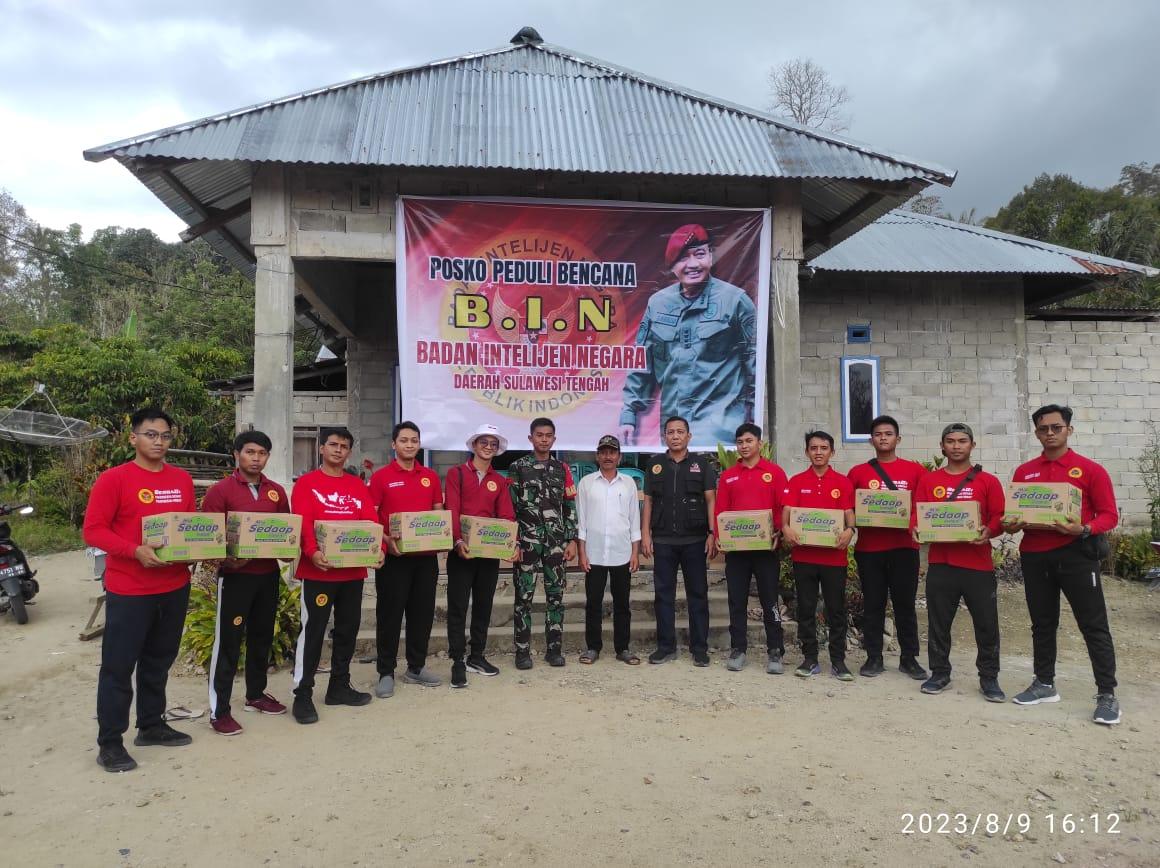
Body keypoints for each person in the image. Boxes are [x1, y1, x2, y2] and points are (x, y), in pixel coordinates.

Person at [83, 407, 197, 772]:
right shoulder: (113, 480)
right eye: (151, 434)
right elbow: (94, 531)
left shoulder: (181, 480)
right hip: (130, 588)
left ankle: (150, 725)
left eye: (165, 436)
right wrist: (133, 551)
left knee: (159, 661)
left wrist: (194, 552)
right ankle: (110, 743)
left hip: (174, 585)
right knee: (118, 667)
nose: (159, 442)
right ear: (133, 438)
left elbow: (188, 526)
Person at [1003, 404, 1122, 725]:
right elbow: (1014, 514)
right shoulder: (1024, 472)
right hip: (1035, 555)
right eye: (1044, 429)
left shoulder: (1089, 470)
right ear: (1037, 433)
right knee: (1042, 624)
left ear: (1069, 429)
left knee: (1093, 625)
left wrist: (1083, 529)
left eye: (1057, 427)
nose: (1050, 433)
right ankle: (1044, 683)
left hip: (1076, 555)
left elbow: (1109, 514)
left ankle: (1107, 694)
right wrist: (1012, 525)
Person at [620, 223, 756, 447]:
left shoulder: (735, 301)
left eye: (699, 254)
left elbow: (754, 363)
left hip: (721, 429)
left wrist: (751, 418)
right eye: (683, 258)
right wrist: (629, 414)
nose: (693, 264)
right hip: (673, 428)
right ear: (673, 266)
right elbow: (641, 363)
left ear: (710, 257)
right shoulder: (658, 304)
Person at [290, 427, 384, 725]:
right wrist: (312, 552)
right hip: (319, 571)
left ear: (349, 451)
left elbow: (371, 520)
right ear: (321, 448)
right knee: (313, 632)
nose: (338, 450)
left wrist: (379, 548)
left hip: (352, 572)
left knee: (347, 630)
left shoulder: (357, 486)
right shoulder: (306, 484)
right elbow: (304, 525)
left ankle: (339, 686)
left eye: (344, 446)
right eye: (333, 445)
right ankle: (302, 694)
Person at [201, 430, 291, 736]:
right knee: (228, 642)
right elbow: (208, 538)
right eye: (250, 452)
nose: (256, 458)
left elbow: (285, 532)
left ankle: (255, 695)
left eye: (262, 453)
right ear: (237, 454)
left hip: (268, 576)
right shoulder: (220, 491)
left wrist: (289, 553)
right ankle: (219, 710)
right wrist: (226, 560)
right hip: (236, 579)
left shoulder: (277, 491)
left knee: (261, 637)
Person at [912, 423, 1006, 702]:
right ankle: (939, 673)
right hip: (941, 564)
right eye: (950, 441)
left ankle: (989, 678)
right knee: (938, 622)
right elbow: (916, 516)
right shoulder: (929, 481)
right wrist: (915, 530)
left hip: (978, 565)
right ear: (942, 446)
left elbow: (999, 517)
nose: (956, 446)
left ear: (972, 446)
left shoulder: (987, 481)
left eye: (962, 441)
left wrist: (990, 530)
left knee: (986, 624)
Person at [845, 416, 927, 681]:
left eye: (888, 434)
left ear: (898, 439)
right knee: (873, 604)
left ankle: (909, 658)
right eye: (878, 434)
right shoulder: (858, 473)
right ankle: (873, 657)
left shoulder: (915, 472)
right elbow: (849, 509)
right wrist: (853, 522)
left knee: (905, 605)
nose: (883, 438)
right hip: (870, 550)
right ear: (871, 440)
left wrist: (912, 523)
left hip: (904, 548)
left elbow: (921, 507)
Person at [368, 422, 443, 698]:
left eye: (414, 440)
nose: (409, 445)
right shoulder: (381, 477)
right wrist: (387, 541)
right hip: (394, 558)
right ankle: (385, 671)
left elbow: (437, 513)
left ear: (419, 444)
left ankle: (416, 667)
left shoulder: (431, 477)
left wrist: (440, 538)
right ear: (394, 444)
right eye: (404, 440)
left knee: (422, 614)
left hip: (425, 558)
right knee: (389, 614)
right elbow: (372, 514)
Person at [445, 423, 518, 688]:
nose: (488, 447)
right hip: (461, 552)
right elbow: (452, 509)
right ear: (474, 445)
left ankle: (477, 656)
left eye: (493, 444)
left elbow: (507, 516)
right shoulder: (457, 474)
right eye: (484, 442)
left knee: (484, 605)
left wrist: (511, 542)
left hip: (489, 554)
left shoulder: (499, 481)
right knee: (458, 606)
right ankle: (457, 661)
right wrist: (457, 540)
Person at [642, 416, 718, 666]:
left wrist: (711, 533)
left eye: (680, 432)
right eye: (670, 432)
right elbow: (649, 502)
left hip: (695, 540)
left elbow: (710, 500)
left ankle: (699, 648)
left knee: (698, 594)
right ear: (664, 436)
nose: (675, 436)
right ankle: (666, 647)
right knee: (663, 596)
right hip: (663, 540)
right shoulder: (654, 465)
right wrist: (646, 534)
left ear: (689, 436)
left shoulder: (701, 464)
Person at [713, 423, 788, 674]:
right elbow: (720, 510)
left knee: (770, 601)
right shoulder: (728, 476)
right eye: (740, 442)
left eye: (749, 441)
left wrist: (779, 531)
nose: (744, 446)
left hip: (766, 549)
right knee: (737, 601)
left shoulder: (775, 473)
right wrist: (719, 535)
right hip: (737, 551)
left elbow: (782, 507)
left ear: (759, 443)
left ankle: (775, 650)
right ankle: (739, 648)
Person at [781, 431, 855, 681]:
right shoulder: (797, 481)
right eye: (814, 448)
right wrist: (786, 528)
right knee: (806, 608)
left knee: (836, 610)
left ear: (832, 452)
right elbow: (787, 512)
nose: (819, 452)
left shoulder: (843, 482)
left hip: (834, 558)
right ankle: (810, 658)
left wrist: (850, 530)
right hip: (805, 557)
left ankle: (838, 661)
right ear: (807, 452)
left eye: (824, 448)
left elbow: (848, 513)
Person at [508, 417, 577, 669]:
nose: (544, 439)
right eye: (539, 435)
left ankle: (554, 650)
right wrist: (513, 542)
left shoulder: (562, 469)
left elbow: (569, 505)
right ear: (530, 438)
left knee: (555, 597)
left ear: (554, 439)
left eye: (548, 435)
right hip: (527, 542)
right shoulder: (518, 467)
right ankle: (522, 652)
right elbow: (510, 507)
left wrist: (571, 540)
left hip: (556, 543)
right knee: (523, 597)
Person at [576, 435, 642, 665]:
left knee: (622, 603)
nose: (607, 456)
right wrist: (582, 552)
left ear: (619, 456)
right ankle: (593, 647)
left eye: (612, 452)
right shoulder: (586, 483)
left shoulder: (629, 483)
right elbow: (581, 522)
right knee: (593, 602)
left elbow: (634, 520)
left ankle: (623, 648)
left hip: (621, 553)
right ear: (597, 456)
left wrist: (635, 553)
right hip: (594, 554)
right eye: (603, 452)